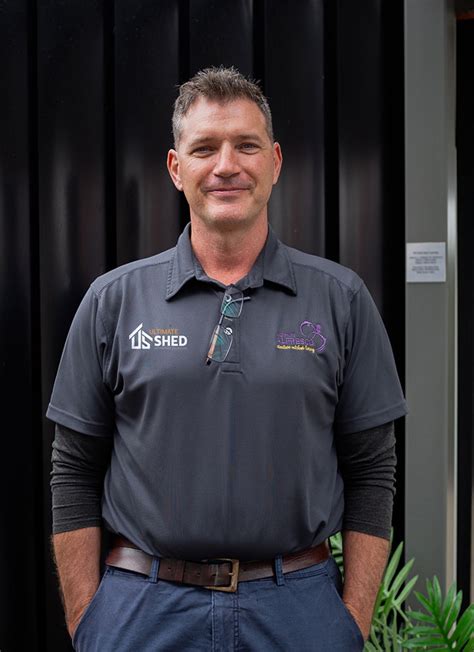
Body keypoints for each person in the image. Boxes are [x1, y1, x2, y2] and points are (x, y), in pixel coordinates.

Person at [49, 66, 407, 651]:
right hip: (143, 610)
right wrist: (88, 620)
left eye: (246, 145)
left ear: (275, 162)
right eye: (204, 148)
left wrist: (351, 623)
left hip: (297, 611)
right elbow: (74, 468)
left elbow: (372, 469)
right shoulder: (114, 302)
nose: (226, 165)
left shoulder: (340, 299)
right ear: (175, 168)